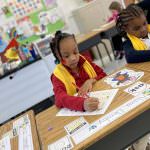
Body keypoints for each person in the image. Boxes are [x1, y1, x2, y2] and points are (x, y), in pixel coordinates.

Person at [50, 31, 106, 112]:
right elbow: (59, 99)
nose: (73, 58)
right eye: (66, 56)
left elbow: (103, 75)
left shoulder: (85, 61)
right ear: (58, 56)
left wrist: (90, 81)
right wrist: (82, 104)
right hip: (80, 113)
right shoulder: (57, 76)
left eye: (75, 52)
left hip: (98, 103)